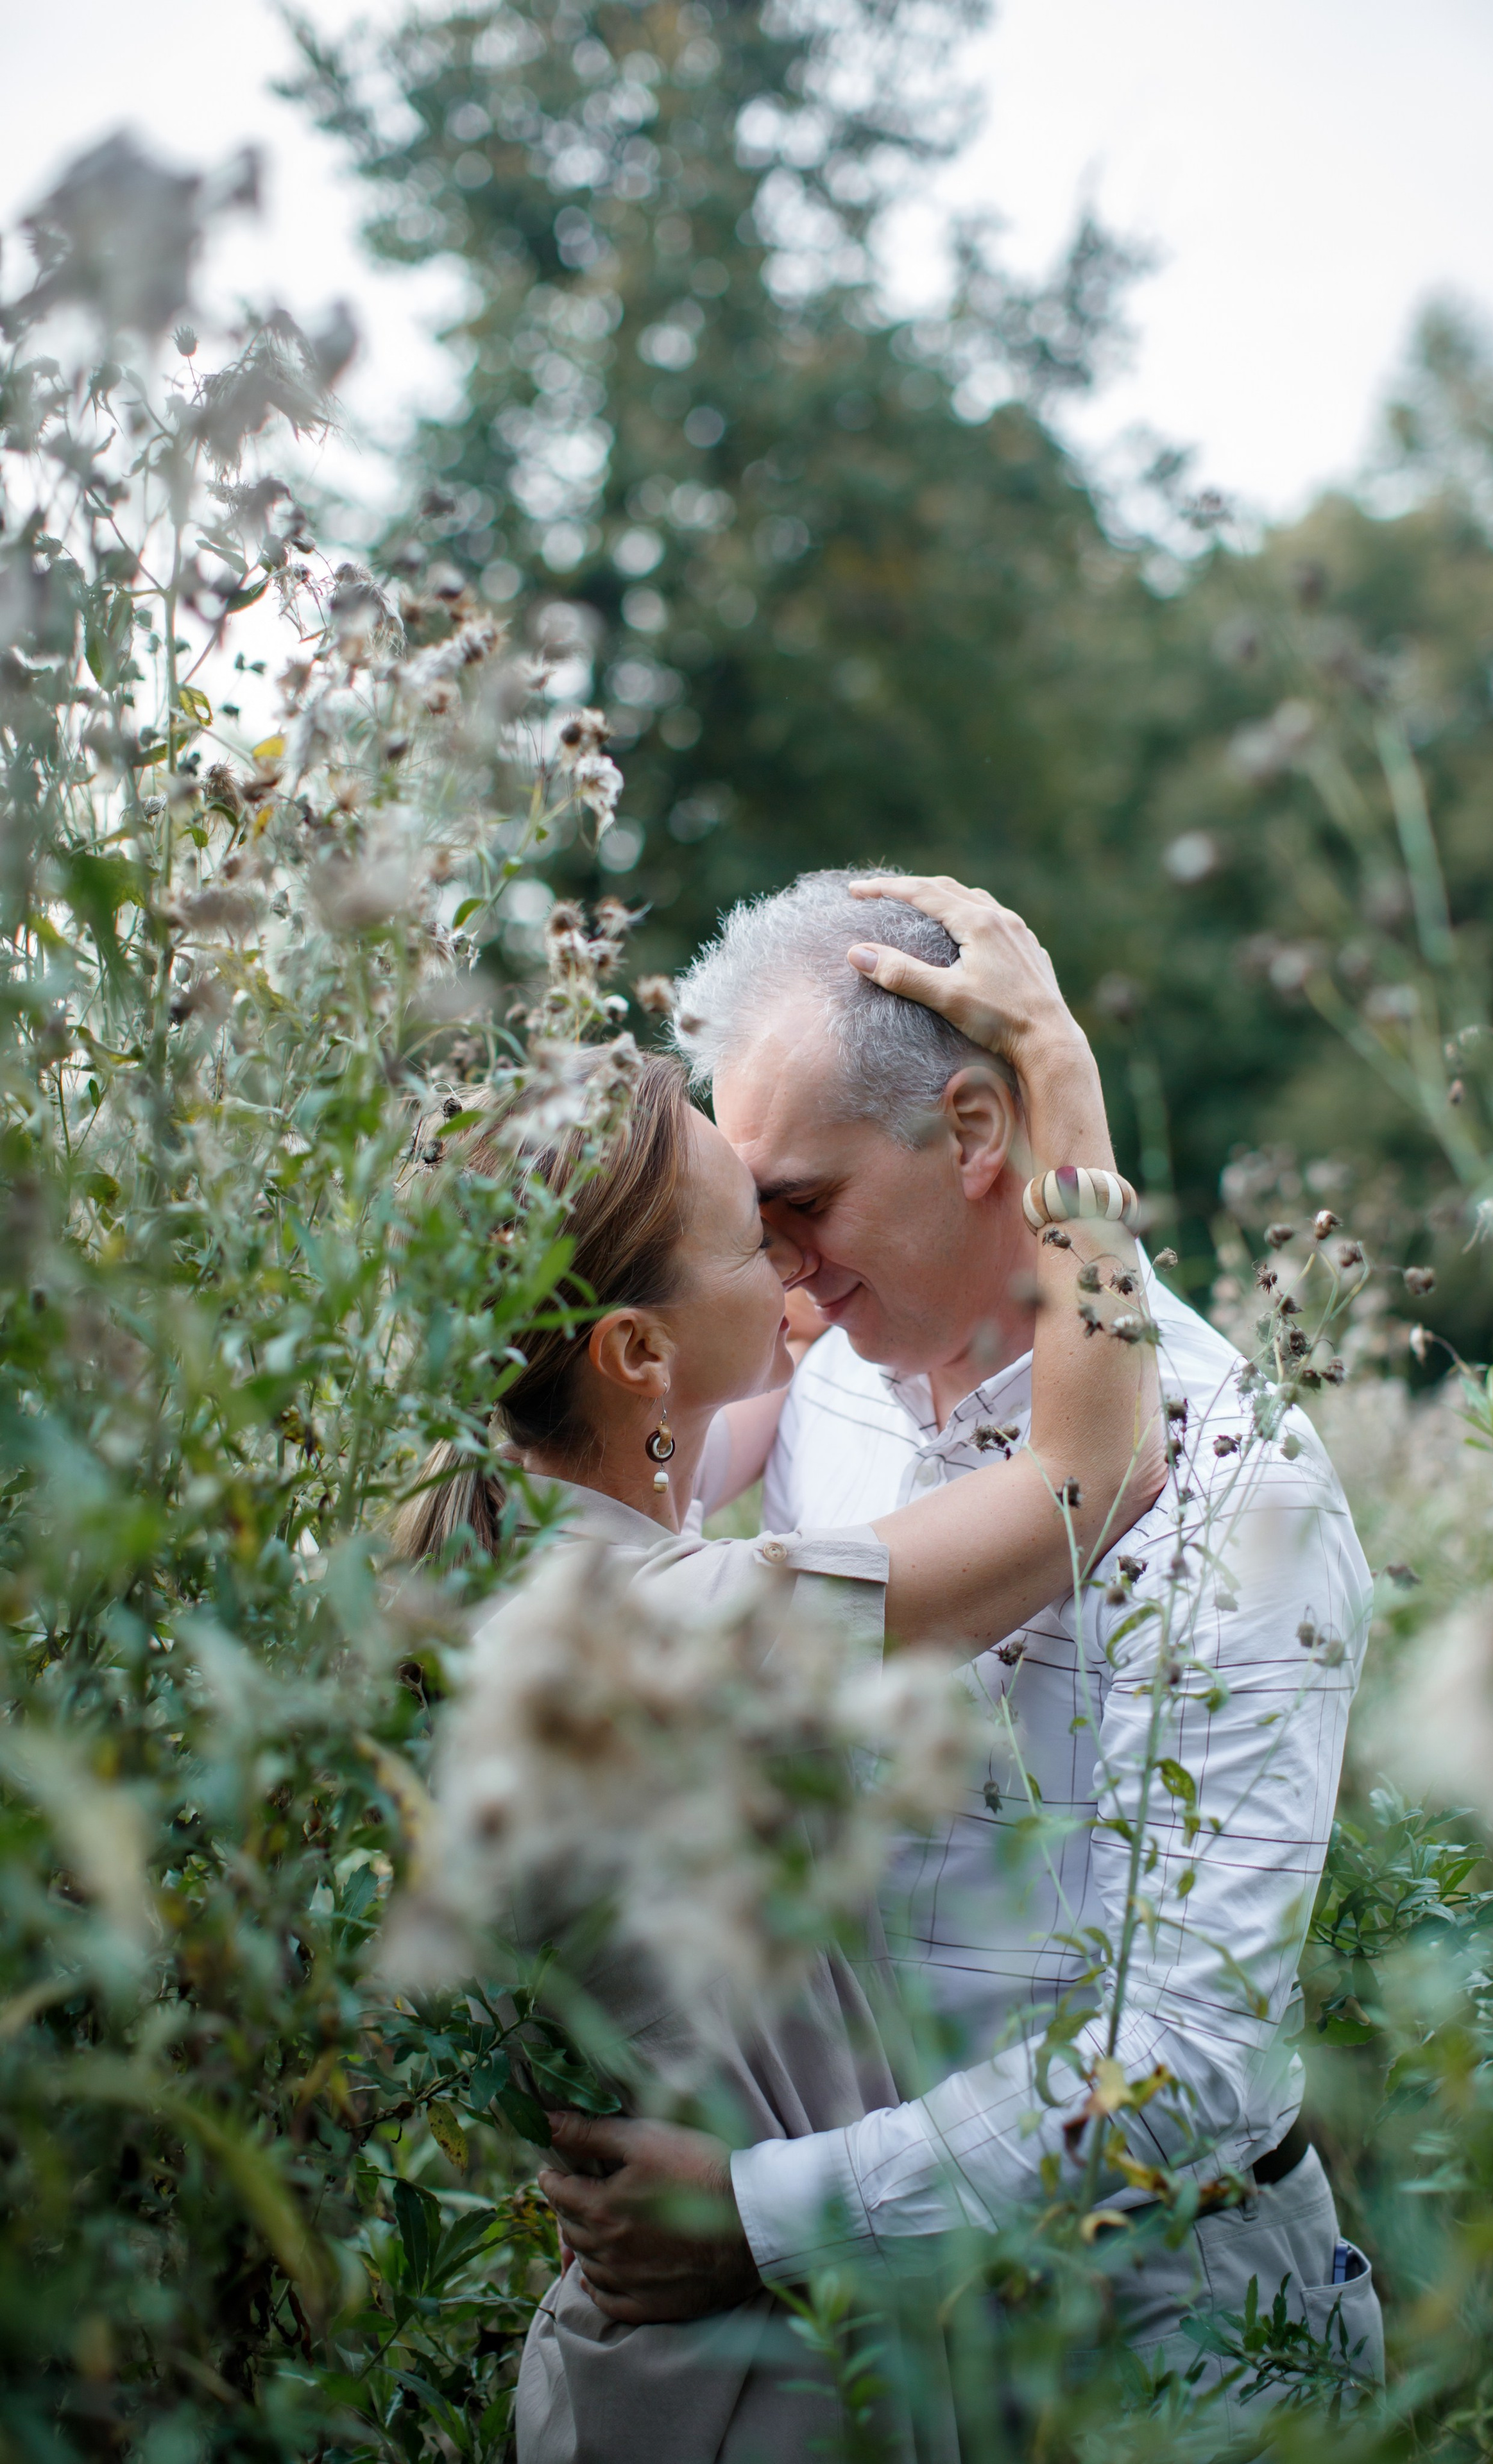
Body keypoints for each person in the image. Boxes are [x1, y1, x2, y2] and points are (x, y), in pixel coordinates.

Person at [534, 871, 1384, 2408]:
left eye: (800, 1204)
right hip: (873, 2378)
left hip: (1165, 2357)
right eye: (752, 1219)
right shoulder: (823, 1386)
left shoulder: (1234, 1488)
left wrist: (760, 2218)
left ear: (978, 1135)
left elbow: (1185, 2057)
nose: (779, 1268)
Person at [400, 878, 1166, 2463]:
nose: (801, 1272)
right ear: (630, 1354)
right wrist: (1060, 1101)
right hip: (756, 2400)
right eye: (756, 1239)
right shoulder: (679, 1624)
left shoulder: (494, 1543)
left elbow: (692, 1435)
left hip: (638, 2382)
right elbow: (1091, 1472)